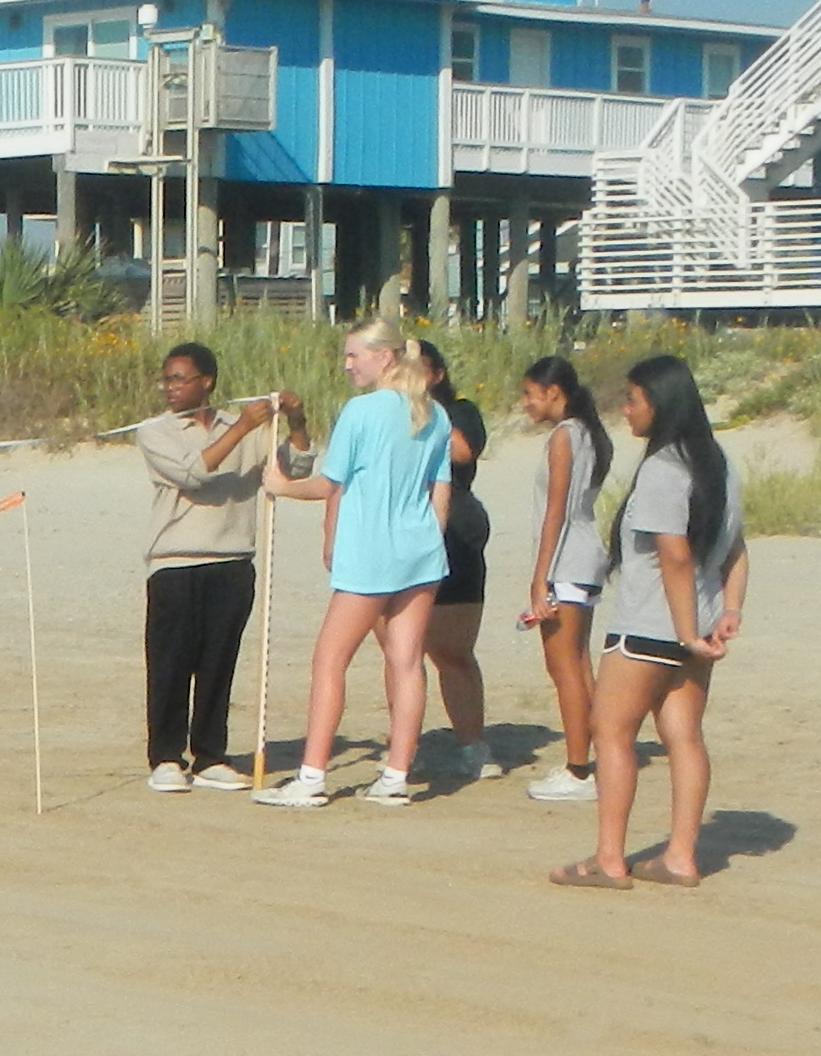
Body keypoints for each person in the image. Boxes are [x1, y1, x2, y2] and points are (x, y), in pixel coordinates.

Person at [556, 352, 747, 890]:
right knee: (684, 736)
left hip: (653, 625)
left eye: (633, 399)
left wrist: (684, 629)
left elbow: (675, 555)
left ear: (659, 404)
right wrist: (727, 612)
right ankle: (681, 856)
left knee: (610, 732)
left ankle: (609, 857)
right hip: (700, 623)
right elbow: (736, 551)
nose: (627, 409)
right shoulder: (719, 461)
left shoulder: (666, 468)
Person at [250, 322, 458, 807]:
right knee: (406, 663)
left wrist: (281, 486)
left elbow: (327, 483)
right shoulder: (434, 414)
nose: (347, 365)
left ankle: (311, 776)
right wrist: (432, 545)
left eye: (354, 356)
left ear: (384, 357)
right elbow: (439, 492)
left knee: (330, 659)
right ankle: (396, 775)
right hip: (420, 550)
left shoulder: (363, 411)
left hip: (372, 552)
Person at [133, 342, 298, 791]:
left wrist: (296, 421)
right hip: (175, 561)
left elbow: (295, 466)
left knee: (217, 663)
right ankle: (166, 757)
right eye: (166, 379)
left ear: (207, 381)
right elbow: (193, 473)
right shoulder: (155, 431)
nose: (170, 388)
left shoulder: (243, 426)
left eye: (179, 379)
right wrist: (243, 426)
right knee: (170, 663)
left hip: (233, 560)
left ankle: (209, 757)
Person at [508, 355, 615, 807]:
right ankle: (595, 760)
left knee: (564, 667)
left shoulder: (565, 436)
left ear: (555, 393)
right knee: (578, 665)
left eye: (532, 394)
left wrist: (540, 579)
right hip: (583, 558)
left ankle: (579, 770)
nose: (526, 403)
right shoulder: (589, 433)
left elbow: (557, 511)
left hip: (567, 561)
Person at [417, 338, 500, 785]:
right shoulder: (381, 412)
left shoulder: (458, 410)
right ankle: (404, 746)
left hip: (456, 526)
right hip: (402, 523)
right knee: (402, 650)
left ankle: (473, 744)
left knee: (452, 650)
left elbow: (464, 451)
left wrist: (421, 416)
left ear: (437, 374)